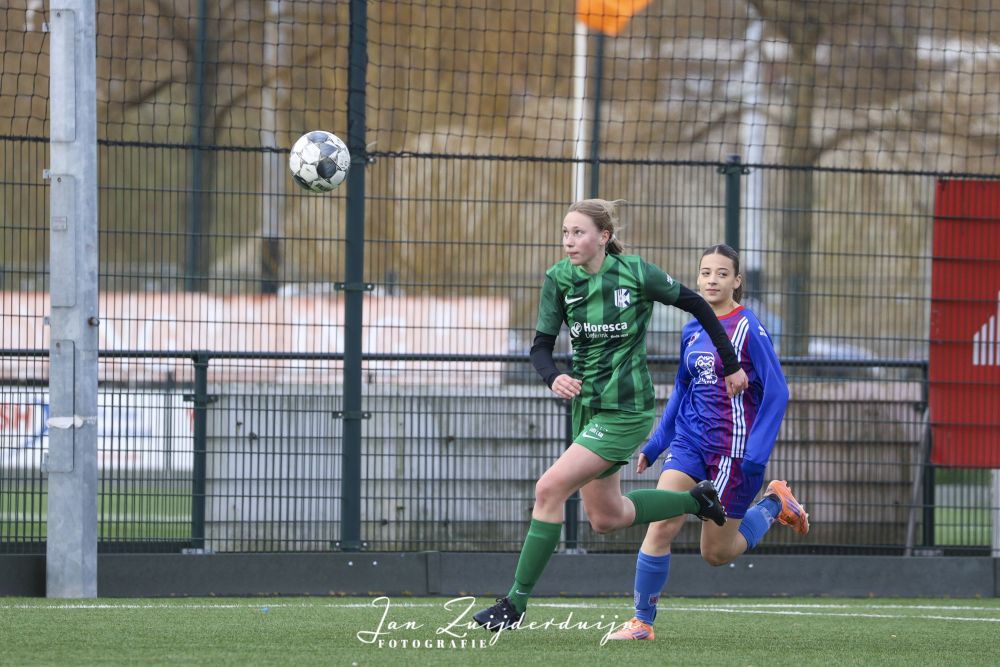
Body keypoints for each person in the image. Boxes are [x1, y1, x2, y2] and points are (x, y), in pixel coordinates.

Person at [473, 200, 750, 632]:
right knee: (607, 518)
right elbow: (540, 347)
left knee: (549, 488)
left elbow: (697, 304)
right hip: (588, 409)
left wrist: (730, 364)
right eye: (565, 233)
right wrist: (553, 377)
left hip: (626, 409)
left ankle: (514, 603)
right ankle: (696, 501)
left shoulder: (636, 273)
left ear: (603, 237)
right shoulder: (559, 279)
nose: (568, 241)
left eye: (578, 232)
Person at [605, 244, 809, 642]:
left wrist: (756, 455)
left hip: (734, 452)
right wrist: (657, 442)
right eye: (705, 273)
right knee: (662, 524)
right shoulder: (692, 328)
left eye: (721, 273)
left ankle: (774, 504)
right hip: (689, 443)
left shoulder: (748, 327)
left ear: (737, 281)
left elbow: (777, 392)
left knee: (715, 553)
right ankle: (642, 622)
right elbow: (683, 389)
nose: (712, 280)